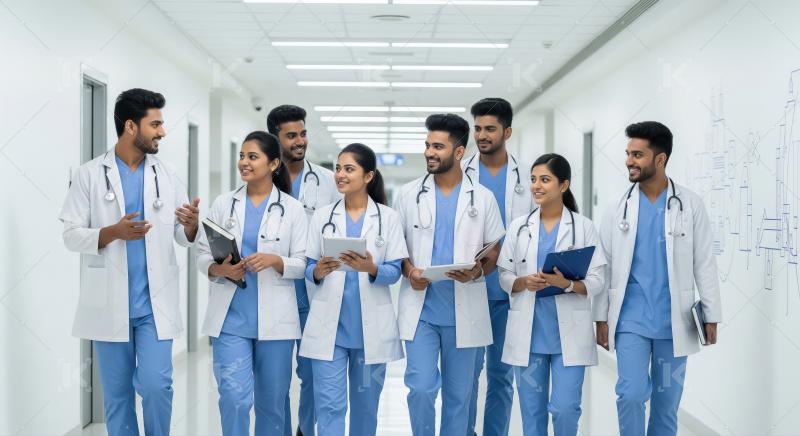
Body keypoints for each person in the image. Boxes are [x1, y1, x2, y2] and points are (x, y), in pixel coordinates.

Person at [59, 88, 200, 435]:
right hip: (110, 304)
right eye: (156, 124)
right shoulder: (90, 174)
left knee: (156, 386)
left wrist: (192, 227)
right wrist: (113, 232)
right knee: (118, 398)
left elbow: (182, 237)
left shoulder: (167, 176)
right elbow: (71, 235)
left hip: (155, 307)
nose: (162, 132)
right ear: (130, 126)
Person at [594, 121, 722, 436]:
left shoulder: (690, 205)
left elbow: (704, 262)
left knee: (666, 406)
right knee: (631, 393)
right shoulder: (616, 208)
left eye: (637, 154)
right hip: (630, 321)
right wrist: (600, 318)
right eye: (627, 153)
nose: (629, 161)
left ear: (660, 159)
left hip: (673, 322)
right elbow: (604, 265)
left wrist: (712, 314)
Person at [394, 114, 505, 436]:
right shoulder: (407, 194)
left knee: (460, 396)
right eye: (428, 145)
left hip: (465, 310)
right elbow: (397, 248)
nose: (430, 152)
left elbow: (493, 250)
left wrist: (478, 271)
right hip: (422, 311)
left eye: (438, 146)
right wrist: (409, 270)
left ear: (458, 152)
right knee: (422, 388)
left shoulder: (482, 198)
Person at [196, 131, 308, 435]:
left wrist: (275, 260)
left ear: (273, 164)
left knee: (272, 403)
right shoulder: (224, 204)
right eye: (242, 156)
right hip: (231, 319)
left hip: (277, 323)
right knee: (233, 398)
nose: (244, 162)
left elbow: (302, 263)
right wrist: (222, 271)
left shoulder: (293, 210)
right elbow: (203, 255)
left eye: (252, 157)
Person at [299, 143, 408, 436]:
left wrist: (371, 268)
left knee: (365, 408)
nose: (340, 175)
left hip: (369, 331)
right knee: (330, 408)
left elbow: (395, 272)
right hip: (329, 330)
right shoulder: (323, 216)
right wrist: (317, 271)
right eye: (337, 168)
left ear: (368, 175)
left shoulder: (388, 218)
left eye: (349, 169)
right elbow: (308, 267)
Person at [497, 153, 606, 436]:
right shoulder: (518, 227)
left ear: (564, 185)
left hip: (568, 336)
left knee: (565, 409)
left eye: (545, 180)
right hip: (529, 335)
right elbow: (504, 276)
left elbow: (596, 281)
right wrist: (523, 282)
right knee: (531, 413)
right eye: (533, 179)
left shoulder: (584, 227)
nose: (536, 186)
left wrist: (566, 284)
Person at [463, 98, 533, 436]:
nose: (481, 135)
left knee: (502, 376)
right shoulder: (460, 173)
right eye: (477, 128)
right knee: (465, 376)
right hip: (469, 288)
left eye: (489, 128)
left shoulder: (529, 178)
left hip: (509, 291)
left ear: (507, 131)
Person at [268, 104, 339, 436]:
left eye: (303, 133)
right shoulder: (261, 180)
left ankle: (306, 430)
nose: (299, 141)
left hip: (314, 288)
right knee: (276, 373)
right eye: (291, 135)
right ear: (275, 138)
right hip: (276, 288)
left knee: (312, 371)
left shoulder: (327, 181)